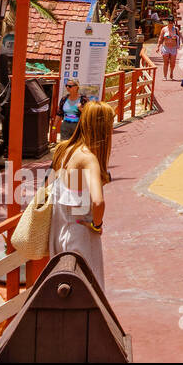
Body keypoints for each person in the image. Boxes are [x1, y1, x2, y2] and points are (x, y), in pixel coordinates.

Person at [49, 101, 114, 288]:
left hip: (60, 231)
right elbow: (98, 202)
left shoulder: (65, 149)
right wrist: (96, 225)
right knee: (88, 291)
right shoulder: (89, 159)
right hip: (79, 236)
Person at [53, 80, 87, 146]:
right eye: (66, 86)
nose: (67, 87)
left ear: (76, 87)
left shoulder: (83, 99)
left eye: (70, 86)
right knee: (64, 146)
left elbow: (88, 114)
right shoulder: (64, 99)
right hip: (65, 126)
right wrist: (54, 127)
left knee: (76, 147)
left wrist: (81, 109)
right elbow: (59, 114)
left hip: (78, 127)